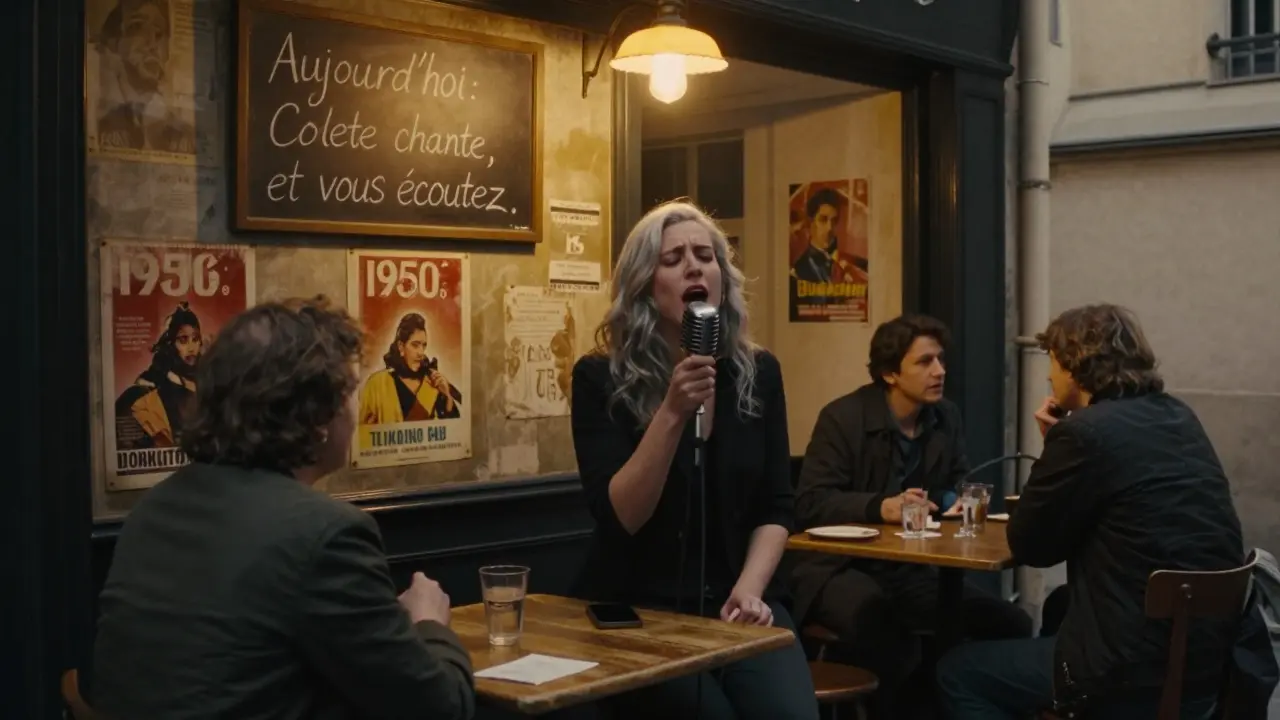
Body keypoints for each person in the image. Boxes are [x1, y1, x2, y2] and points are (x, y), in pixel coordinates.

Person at [92, 297, 475, 720]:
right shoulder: (325, 535)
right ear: (319, 417)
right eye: (349, 390)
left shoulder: (153, 511)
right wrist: (428, 623)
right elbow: (440, 707)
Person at [936, 304, 1251, 718]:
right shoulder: (1178, 416)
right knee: (1060, 607)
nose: (1048, 375)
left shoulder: (1084, 433)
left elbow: (1031, 546)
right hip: (1206, 662)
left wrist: (1055, 446)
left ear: (1074, 365)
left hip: (1126, 673)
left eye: (1052, 362)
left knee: (957, 673)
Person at [570, 201, 818, 720]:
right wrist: (673, 411)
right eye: (673, 258)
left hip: (739, 599)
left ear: (721, 281)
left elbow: (777, 506)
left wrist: (749, 592)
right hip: (640, 608)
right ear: (644, 285)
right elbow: (621, 517)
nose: (694, 267)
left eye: (706, 256)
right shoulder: (600, 379)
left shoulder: (759, 372)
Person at [790, 314, 1032, 712]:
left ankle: (941, 702)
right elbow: (809, 502)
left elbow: (955, 479)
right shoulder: (843, 418)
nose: (940, 371)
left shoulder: (944, 417)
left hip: (913, 568)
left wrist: (953, 500)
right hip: (839, 568)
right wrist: (878, 506)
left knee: (1009, 623)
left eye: (940, 360)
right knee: (891, 637)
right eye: (925, 362)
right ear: (890, 373)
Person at [114, 301, 202, 448]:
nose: (192, 347)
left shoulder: (207, 387)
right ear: (170, 345)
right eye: (183, 340)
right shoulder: (144, 394)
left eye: (195, 339)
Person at [358, 311, 462, 424]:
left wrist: (447, 396)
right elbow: (363, 432)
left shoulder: (432, 382)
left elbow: (452, 430)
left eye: (423, 346)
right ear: (401, 347)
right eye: (415, 345)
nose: (421, 352)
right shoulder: (377, 384)